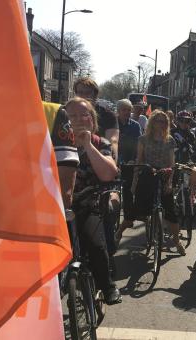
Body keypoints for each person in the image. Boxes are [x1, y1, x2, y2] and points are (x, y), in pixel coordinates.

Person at [63, 97, 122, 305]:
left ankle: (107, 287)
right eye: (72, 116)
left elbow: (108, 174)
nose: (78, 120)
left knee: (96, 244)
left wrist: (87, 144)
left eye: (84, 115)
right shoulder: (55, 142)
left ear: (92, 119)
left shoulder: (100, 143)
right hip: (59, 206)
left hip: (89, 203)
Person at [132, 110, 185, 255]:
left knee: (171, 210)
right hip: (148, 173)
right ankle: (124, 230)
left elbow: (172, 163)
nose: (161, 124)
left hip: (164, 174)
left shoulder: (170, 140)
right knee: (140, 206)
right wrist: (135, 180)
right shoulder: (143, 139)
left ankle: (176, 241)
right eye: (158, 121)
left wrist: (169, 182)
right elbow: (139, 160)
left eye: (164, 121)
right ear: (152, 122)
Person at [115, 99, 142, 242]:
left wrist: (135, 160)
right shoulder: (113, 123)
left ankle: (127, 218)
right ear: (118, 111)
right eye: (123, 110)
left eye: (128, 110)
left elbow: (139, 145)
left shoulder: (135, 126)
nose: (126, 112)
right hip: (114, 162)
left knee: (128, 193)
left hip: (129, 164)